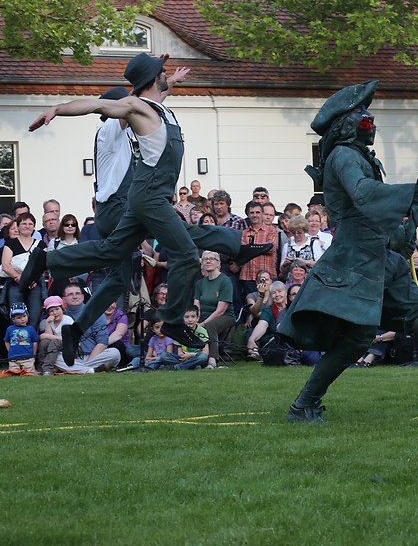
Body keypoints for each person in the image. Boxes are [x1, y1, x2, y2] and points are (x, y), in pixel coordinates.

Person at [279, 80, 418, 423]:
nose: (368, 118)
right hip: (356, 263)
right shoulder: (343, 156)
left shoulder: (357, 156)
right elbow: (364, 194)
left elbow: (380, 219)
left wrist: (414, 206)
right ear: (346, 123)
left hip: (380, 259)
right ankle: (303, 405)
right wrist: (410, 188)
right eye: (361, 113)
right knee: (355, 342)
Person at [22, 55, 270, 356]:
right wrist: (57, 110)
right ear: (153, 79)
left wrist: (170, 81)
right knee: (187, 254)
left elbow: (158, 95)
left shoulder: (159, 110)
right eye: (162, 74)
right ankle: (173, 320)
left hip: (145, 195)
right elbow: (99, 105)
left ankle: (47, 260)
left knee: (115, 250)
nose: (166, 77)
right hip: (148, 196)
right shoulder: (135, 107)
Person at [193, 250, 235, 368]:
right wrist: (195, 320)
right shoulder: (200, 283)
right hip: (204, 315)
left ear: (218, 263)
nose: (208, 261)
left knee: (211, 325)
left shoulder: (225, 281)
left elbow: (221, 310)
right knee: (187, 321)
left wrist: (203, 323)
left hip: (225, 316)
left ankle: (212, 360)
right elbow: (196, 305)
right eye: (205, 259)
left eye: (212, 259)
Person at [37, 295, 71, 376]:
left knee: (55, 342)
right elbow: (45, 338)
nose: (55, 313)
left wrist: (49, 337)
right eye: (51, 311)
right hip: (55, 347)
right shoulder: (50, 321)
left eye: (57, 309)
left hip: (71, 348)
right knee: (44, 342)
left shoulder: (68, 320)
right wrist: (47, 323)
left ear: (62, 309)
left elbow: (67, 339)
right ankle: (41, 366)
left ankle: (47, 369)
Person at [4, 303, 39, 374]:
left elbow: (35, 342)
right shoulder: (10, 329)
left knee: (29, 373)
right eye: (19, 318)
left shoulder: (31, 329)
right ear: (13, 319)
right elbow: (7, 341)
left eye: (24, 316)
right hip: (13, 358)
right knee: (13, 373)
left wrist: (33, 354)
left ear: (27, 315)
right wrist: (9, 351)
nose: (22, 319)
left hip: (28, 357)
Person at [174, 306, 211, 370]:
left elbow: (205, 352)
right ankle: (190, 365)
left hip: (196, 357)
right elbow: (179, 352)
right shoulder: (179, 331)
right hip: (183, 358)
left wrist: (190, 355)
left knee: (203, 357)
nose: (190, 320)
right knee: (164, 356)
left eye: (193, 317)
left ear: (197, 318)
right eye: (186, 317)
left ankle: (180, 367)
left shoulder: (202, 331)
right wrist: (184, 355)